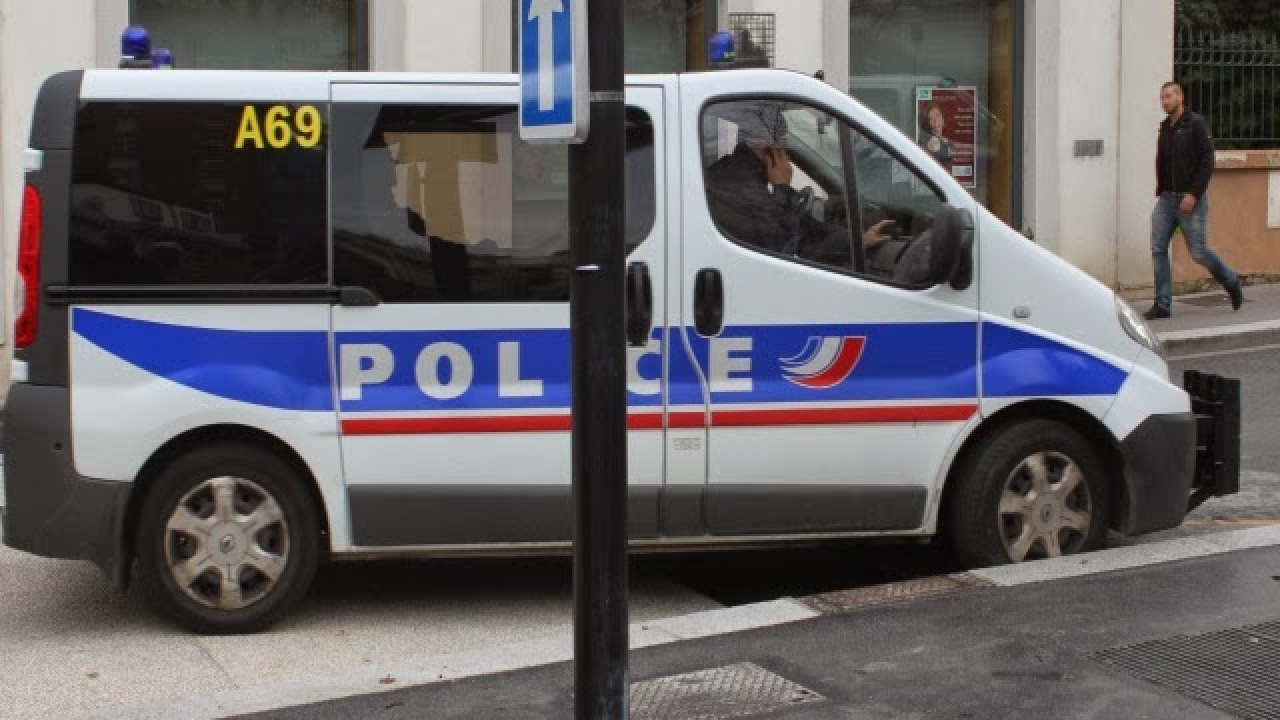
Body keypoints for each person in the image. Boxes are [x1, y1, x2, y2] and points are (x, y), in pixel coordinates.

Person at [704, 101, 894, 262]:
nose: (786, 156)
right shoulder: (741, 188)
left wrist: (857, 240)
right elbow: (787, 247)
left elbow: (805, 227)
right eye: (783, 147)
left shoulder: (742, 176)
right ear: (768, 149)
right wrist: (782, 188)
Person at [1145, 81, 1242, 320]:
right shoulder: (1165, 127)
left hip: (1191, 199)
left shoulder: (1196, 124)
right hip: (1167, 199)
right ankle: (1163, 304)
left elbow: (1207, 161)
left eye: (1169, 96)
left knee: (1198, 252)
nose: (1165, 102)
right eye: (1162, 98)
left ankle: (1230, 280)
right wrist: (1162, 190)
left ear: (1180, 97)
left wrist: (1193, 194)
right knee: (1158, 248)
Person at [920, 103, 954, 170]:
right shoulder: (930, 139)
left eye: (937, 116)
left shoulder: (947, 141)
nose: (935, 121)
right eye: (931, 119)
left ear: (943, 117)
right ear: (928, 123)